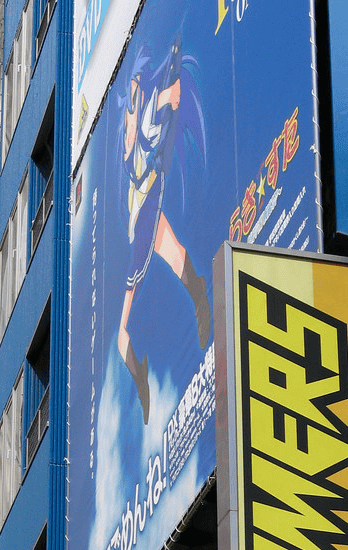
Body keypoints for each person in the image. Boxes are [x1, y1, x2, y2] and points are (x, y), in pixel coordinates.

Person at [116, 39, 208, 424]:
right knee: (172, 254)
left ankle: (140, 375)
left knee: (125, 323)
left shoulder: (145, 109)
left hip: (146, 204)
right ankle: (140, 375)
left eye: (137, 85)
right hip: (139, 210)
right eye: (134, 88)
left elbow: (171, 97)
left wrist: (167, 100)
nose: (134, 92)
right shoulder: (133, 120)